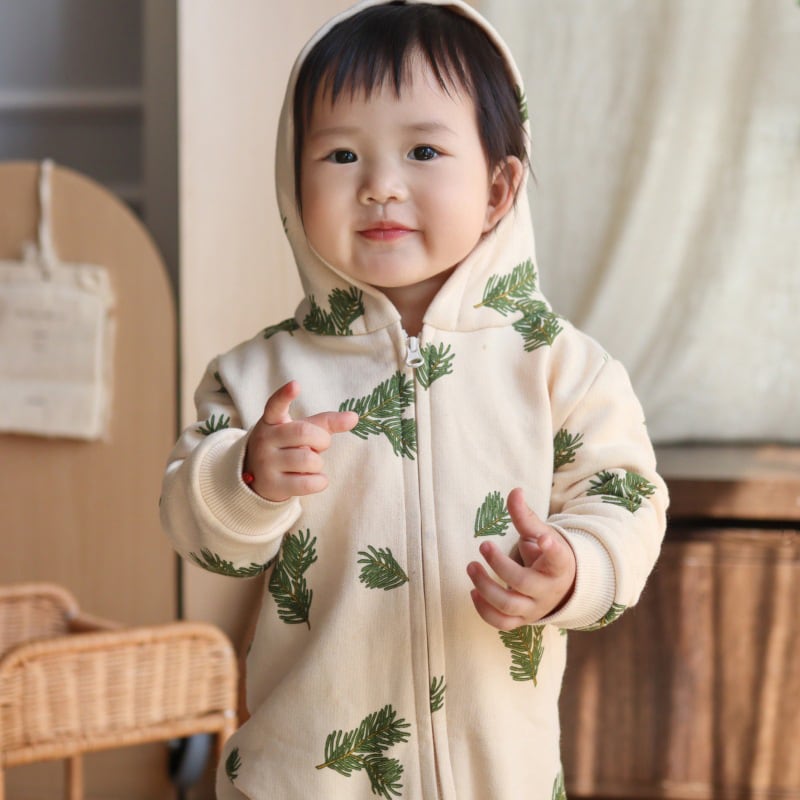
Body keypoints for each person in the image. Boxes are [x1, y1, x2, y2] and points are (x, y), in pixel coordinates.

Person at [160, 1, 668, 797]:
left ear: (498, 188)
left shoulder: (559, 367)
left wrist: (575, 569)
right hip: (302, 780)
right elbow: (204, 539)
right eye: (340, 155)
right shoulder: (261, 379)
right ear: (293, 181)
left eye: (423, 151)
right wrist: (246, 481)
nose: (380, 187)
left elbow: (626, 498)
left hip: (501, 779)